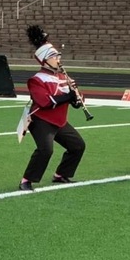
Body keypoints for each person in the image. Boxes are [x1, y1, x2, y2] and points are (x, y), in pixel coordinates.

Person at [19, 25, 86, 190]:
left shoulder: (63, 76)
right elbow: (45, 102)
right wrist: (67, 97)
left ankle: (61, 174)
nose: (58, 59)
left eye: (58, 56)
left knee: (78, 146)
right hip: (41, 120)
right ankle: (26, 180)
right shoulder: (36, 79)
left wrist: (77, 100)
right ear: (45, 59)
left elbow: (73, 98)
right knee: (45, 150)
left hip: (59, 120)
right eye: (54, 56)